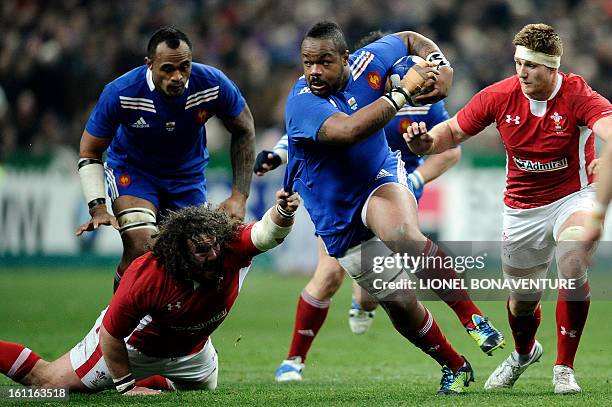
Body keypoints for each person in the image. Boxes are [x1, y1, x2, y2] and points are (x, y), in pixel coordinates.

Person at [257, 50, 503, 385]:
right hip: (333, 205)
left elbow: (411, 43)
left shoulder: (419, 96)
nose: (316, 70)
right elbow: (324, 131)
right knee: (394, 300)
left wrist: (443, 66)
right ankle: (454, 364)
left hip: (379, 179)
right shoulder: (310, 98)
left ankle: (473, 319)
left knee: (404, 237)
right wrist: (278, 158)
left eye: (325, 63)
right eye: (310, 63)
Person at [405, 23, 612, 394]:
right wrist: (425, 142)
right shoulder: (499, 95)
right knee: (521, 303)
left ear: (552, 68)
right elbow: (452, 132)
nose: (521, 72)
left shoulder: (577, 93)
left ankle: (564, 368)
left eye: (531, 65)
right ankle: (523, 353)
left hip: (574, 197)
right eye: (518, 62)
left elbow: (609, 126)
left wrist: (607, 157)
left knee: (572, 258)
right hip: (522, 209)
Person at [0, 190, 300, 395]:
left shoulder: (230, 247)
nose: (212, 255)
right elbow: (111, 334)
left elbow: (266, 232)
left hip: (194, 353)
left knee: (203, 389)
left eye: (214, 246)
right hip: (134, 349)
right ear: (180, 254)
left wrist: (284, 211)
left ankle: (151, 379)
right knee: (46, 386)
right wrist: (128, 386)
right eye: (201, 251)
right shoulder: (148, 275)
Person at [75, 26, 256, 290]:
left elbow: (245, 129)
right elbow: (89, 150)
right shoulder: (122, 92)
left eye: (185, 67)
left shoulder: (212, 84)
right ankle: (114, 328)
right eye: (168, 69)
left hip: (187, 177)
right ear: (150, 65)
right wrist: (98, 207)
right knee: (142, 248)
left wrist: (239, 196)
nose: (178, 77)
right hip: (133, 172)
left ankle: (186, 332)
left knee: (201, 258)